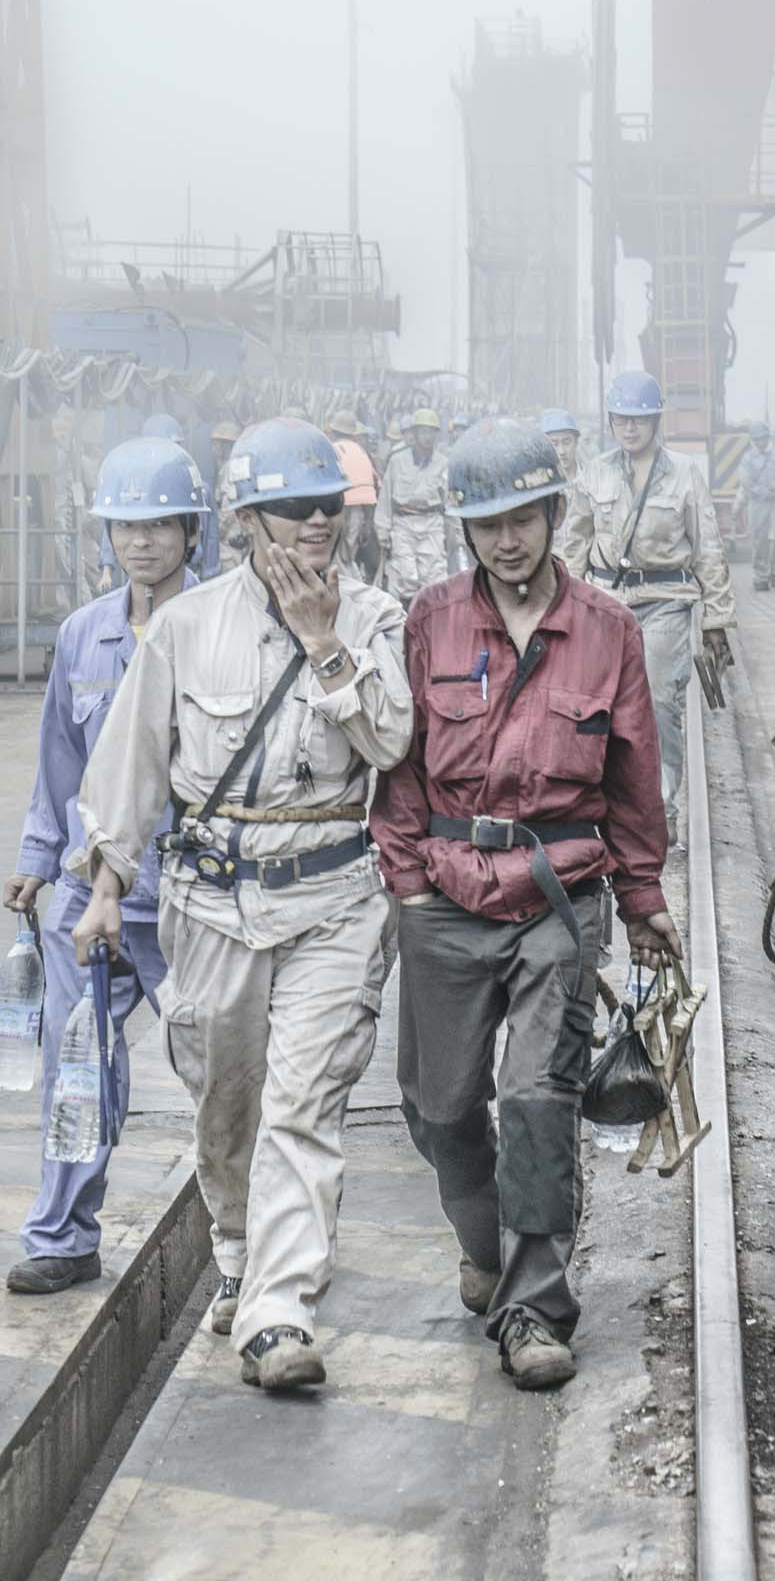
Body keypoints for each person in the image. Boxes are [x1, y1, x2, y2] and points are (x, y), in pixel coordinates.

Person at [68, 418, 412, 1392]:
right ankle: (235, 1251)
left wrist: (325, 642)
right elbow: (131, 768)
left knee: (304, 1108)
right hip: (211, 905)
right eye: (292, 508)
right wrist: (102, 890)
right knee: (228, 1104)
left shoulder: (380, 618)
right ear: (247, 520)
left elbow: (391, 741)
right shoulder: (184, 628)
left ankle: (278, 1312)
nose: (315, 523)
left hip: (334, 900)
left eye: (328, 507)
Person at [371, 419, 677, 1388]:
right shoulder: (427, 621)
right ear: (466, 531)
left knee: (537, 1101)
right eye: (488, 524)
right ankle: (486, 1242)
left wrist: (641, 898)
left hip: (559, 894)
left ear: (553, 515)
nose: (508, 540)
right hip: (449, 898)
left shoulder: (608, 629)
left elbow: (634, 782)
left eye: (524, 518)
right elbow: (402, 771)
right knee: (441, 1107)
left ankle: (537, 1311)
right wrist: (411, 886)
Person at [3, 438, 206, 1296]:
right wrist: (38, 859)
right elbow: (59, 757)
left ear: (192, 532)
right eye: (126, 526)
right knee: (76, 1062)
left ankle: (259, 1242)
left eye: (159, 524)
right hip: (94, 893)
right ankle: (62, 1234)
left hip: (197, 891)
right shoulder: (84, 634)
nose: (142, 542)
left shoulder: (223, 624)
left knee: (229, 1066)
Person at [584, 371, 736, 842]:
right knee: (599, 706)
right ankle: (605, 804)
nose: (630, 429)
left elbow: (707, 545)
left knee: (659, 702)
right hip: (606, 602)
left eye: (639, 420)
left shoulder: (685, 473)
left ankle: (659, 807)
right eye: (622, 420)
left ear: (655, 421)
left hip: (666, 602)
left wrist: (716, 619)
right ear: (611, 422)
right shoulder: (594, 473)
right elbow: (574, 542)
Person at [375, 406, 450, 606]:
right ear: (414, 434)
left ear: (436, 436)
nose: (427, 437)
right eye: (423, 432)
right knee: (405, 576)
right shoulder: (398, 461)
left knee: (435, 578)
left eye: (431, 432)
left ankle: (432, 624)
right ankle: (407, 622)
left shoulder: (443, 463)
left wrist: (457, 535)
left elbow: (449, 503)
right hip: (403, 523)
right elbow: (386, 498)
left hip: (432, 523)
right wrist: (383, 531)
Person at [538, 407, 597, 578]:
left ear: (576, 441)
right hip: (547, 572)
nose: (562, 451)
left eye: (566, 442)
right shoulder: (536, 489)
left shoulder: (593, 482)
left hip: (586, 573)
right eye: (554, 444)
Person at [326, 409, 382, 584]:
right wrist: (368, 520)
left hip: (340, 508)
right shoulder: (361, 451)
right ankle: (358, 587)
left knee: (337, 558)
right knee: (348, 557)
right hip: (361, 511)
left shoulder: (332, 449)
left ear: (334, 431)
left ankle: (352, 594)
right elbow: (376, 484)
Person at [738, 419, 775, 592]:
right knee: (759, 540)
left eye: (763, 437)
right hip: (758, 503)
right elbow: (746, 482)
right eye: (757, 439)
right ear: (753, 440)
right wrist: (763, 492)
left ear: (768, 437)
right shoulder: (747, 458)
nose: (760, 441)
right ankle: (761, 576)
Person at [209, 419, 245, 576]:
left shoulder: (232, 468)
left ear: (227, 445)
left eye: (216, 443)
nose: (213, 448)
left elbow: (229, 507)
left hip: (230, 546)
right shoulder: (231, 466)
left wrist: (216, 533)